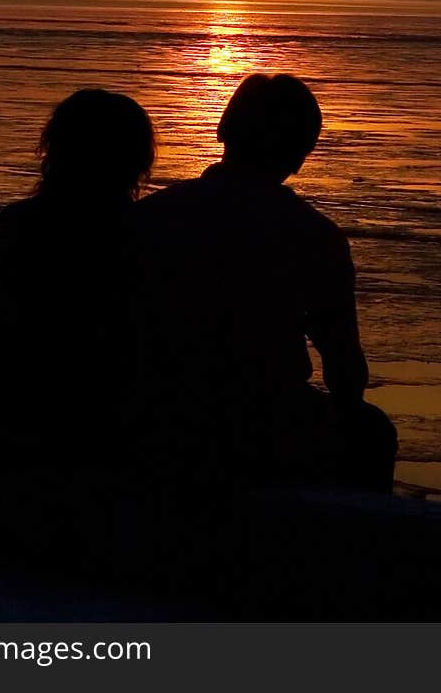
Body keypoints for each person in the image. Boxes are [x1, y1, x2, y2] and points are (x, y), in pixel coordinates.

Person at [128, 73, 397, 493]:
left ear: (222, 129)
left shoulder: (150, 216)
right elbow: (345, 367)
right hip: (264, 420)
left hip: (151, 410)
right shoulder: (314, 235)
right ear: (300, 154)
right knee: (371, 432)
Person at [0, 87, 155, 460]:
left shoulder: (16, 223)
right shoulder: (143, 235)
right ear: (136, 160)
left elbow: (7, 319)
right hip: (92, 420)